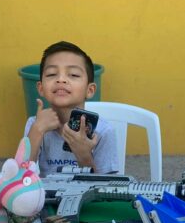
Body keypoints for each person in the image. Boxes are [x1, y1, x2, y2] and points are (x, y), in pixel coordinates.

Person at [23, 41, 118, 175]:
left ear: (90, 90)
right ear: (41, 88)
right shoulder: (35, 125)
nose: (61, 79)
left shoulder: (103, 132)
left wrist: (83, 154)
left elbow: (106, 189)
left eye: (73, 75)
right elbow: (18, 180)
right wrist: (37, 131)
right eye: (51, 74)